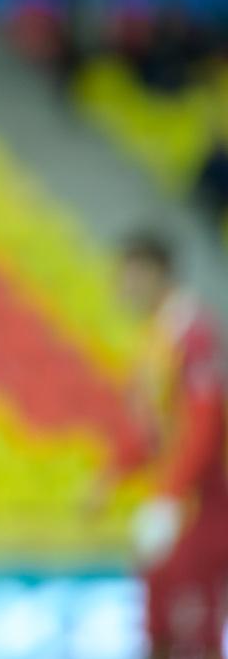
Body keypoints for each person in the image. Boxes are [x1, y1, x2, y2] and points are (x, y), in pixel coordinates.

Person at [85, 233, 228, 659]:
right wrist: (111, 475)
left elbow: (205, 423)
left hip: (202, 504)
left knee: (193, 635)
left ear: (157, 273)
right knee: (158, 630)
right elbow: (153, 429)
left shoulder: (191, 334)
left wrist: (169, 496)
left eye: (131, 275)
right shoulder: (154, 339)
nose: (124, 287)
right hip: (173, 502)